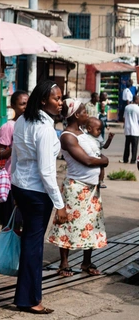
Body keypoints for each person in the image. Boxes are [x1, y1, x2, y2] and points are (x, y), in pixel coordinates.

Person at [11, 80, 68, 315]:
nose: (61, 103)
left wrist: (15, 186)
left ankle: (25, 295)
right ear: (43, 100)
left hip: (22, 186)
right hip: (36, 191)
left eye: (61, 98)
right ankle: (30, 299)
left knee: (29, 244)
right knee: (33, 246)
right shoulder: (44, 128)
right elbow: (46, 171)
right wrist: (60, 204)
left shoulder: (22, 121)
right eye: (57, 98)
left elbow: (15, 156)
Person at [47, 100, 109, 277]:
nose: (87, 114)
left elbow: (96, 152)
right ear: (76, 115)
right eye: (83, 112)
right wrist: (104, 161)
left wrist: (100, 158)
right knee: (68, 224)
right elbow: (88, 160)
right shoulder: (67, 136)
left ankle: (86, 262)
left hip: (91, 188)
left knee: (90, 224)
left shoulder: (83, 132)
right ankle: (64, 263)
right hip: (76, 188)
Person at [0, 90, 29, 228]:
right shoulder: (9, 126)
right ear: (13, 106)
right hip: (12, 181)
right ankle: (8, 250)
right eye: (22, 104)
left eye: (28, 103)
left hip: (29, 180)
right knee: (11, 223)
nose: (26, 106)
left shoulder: (33, 125)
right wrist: (15, 146)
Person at [123, 94, 139, 164]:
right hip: (135, 130)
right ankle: (133, 160)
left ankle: (125, 159)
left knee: (127, 145)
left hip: (127, 128)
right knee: (134, 146)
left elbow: (124, 117)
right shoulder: (137, 108)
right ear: (136, 100)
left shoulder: (127, 107)